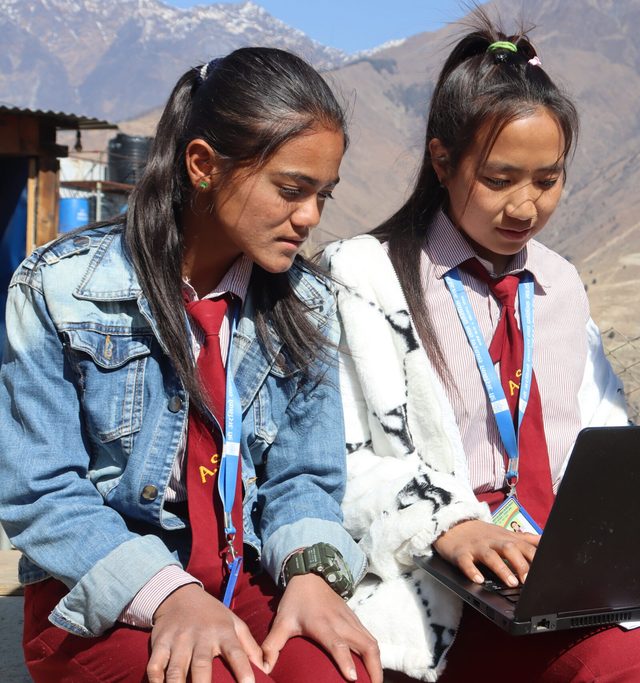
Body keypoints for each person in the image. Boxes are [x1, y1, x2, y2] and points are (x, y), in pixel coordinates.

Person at [323, 10, 640, 683]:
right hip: (455, 572)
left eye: (547, 179)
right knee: (632, 663)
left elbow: (603, 430)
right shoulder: (366, 278)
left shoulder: (558, 282)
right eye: (499, 179)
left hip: (570, 563)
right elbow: (346, 454)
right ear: (443, 161)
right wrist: (449, 525)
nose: (525, 206)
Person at [0, 47, 382, 683]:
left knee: (341, 671)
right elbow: (40, 492)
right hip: (103, 595)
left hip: (244, 578)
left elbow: (304, 479)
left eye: (323, 194)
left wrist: (312, 574)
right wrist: (170, 595)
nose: (311, 217)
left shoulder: (307, 302)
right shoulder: (57, 288)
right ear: (203, 165)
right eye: (291, 190)